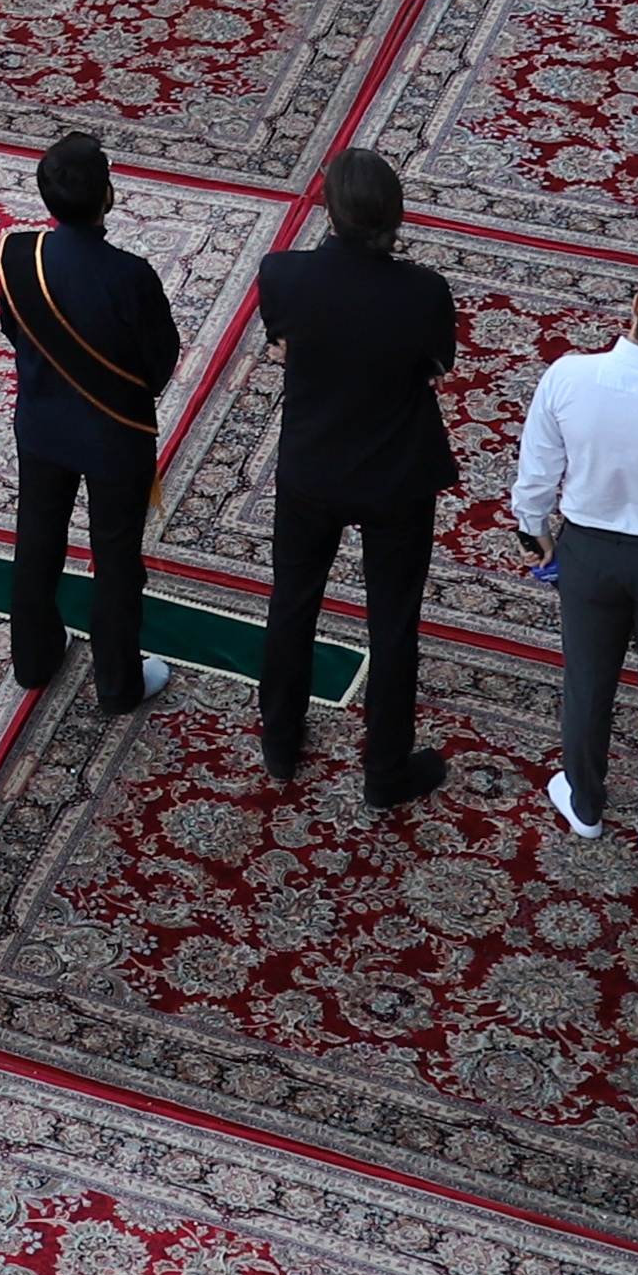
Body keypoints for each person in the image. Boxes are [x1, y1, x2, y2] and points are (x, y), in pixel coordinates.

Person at [257, 144, 463, 805]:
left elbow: (281, 337)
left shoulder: (282, 275)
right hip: (394, 476)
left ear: (328, 210)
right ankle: (384, 772)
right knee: (392, 625)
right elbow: (437, 365)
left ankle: (280, 744)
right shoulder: (424, 293)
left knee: (292, 604)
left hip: (312, 467)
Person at [520, 258, 638, 850]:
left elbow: (535, 479)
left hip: (589, 554)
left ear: (634, 306)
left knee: (587, 682)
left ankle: (585, 804)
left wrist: (536, 532)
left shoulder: (569, 378)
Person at [0, 127, 184, 709]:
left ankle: (32, 657)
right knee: (117, 557)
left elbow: (13, 331)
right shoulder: (131, 275)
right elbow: (159, 361)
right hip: (114, 435)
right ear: (107, 196)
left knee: (37, 540)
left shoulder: (18, 257)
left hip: (44, 426)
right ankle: (117, 683)